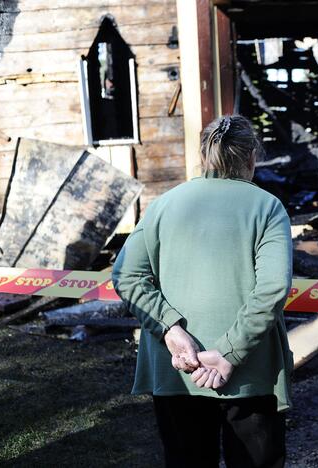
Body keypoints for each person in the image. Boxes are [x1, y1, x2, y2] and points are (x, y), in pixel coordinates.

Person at [112, 115, 293, 468]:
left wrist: (170, 329)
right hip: (249, 373)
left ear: (204, 156)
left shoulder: (164, 204)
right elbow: (272, 288)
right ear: (251, 157)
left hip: (178, 371)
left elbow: (127, 276)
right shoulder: (267, 207)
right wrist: (229, 353)